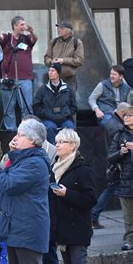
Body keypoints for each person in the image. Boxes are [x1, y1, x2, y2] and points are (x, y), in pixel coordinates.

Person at [0, 119, 49, 263]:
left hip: (27, 232)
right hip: (15, 229)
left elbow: (7, 184)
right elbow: (2, 187)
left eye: (20, 135)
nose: (15, 138)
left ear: (32, 140)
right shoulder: (23, 160)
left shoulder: (35, 163)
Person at [47, 129, 96, 264]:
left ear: (73, 145)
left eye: (62, 142)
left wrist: (67, 194)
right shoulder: (54, 168)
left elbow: (91, 198)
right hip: (61, 230)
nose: (57, 145)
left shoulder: (82, 168)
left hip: (77, 230)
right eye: (56, 142)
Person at [0, 16, 37, 130]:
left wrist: (32, 32)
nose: (24, 27)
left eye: (24, 25)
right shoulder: (7, 38)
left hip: (25, 79)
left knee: (26, 107)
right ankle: (11, 131)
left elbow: (35, 39)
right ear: (15, 26)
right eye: (21, 25)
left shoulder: (26, 38)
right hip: (9, 79)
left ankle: (27, 130)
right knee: (8, 108)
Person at [91, 102, 131, 229]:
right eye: (127, 115)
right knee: (110, 189)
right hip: (119, 165)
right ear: (123, 114)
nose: (127, 118)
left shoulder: (111, 123)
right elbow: (117, 148)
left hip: (117, 163)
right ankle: (93, 215)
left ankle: (93, 216)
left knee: (111, 189)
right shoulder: (118, 128)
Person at [107, 107, 133, 251]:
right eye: (125, 116)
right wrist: (121, 152)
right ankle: (129, 240)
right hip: (126, 180)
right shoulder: (120, 134)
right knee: (128, 216)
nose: (126, 118)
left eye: (130, 115)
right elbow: (110, 157)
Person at [33, 63, 76, 144]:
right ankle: (53, 153)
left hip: (65, 119)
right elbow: (36, 107)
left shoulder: (68, 89)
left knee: (70, 127)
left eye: (53, 71)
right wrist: (45, 114)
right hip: (48, 120)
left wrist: (67, 113)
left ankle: (69, 151)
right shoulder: (42, 90)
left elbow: (74, 106)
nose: (50, 73)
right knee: (50, 127)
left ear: (58, 73)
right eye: (49, 71)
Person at [44, 21, 84, 91]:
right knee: (53, 101)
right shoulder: (53, 41)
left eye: (62, 28)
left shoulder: (77, 42)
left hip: (69, 79)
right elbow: (46, 58)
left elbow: (79, 60)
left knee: (69, 101)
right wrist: (51, 61)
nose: (59, 30)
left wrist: (63, 60)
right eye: (58, 28)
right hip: (54, 79)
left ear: (68, 31)